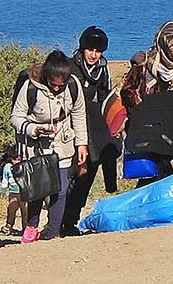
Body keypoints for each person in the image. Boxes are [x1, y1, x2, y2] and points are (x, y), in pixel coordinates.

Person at [11, 50, 87, 243]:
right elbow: (16, 117)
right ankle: (31, 226)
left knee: (60, 191)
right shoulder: (30, 87)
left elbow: (78, 115)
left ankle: (53, 232)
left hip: (62, 145)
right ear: (46, 77)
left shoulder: (73, 86)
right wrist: (35, 130)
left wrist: (82, 144)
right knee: (39, 189)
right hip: (36, 147)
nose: (56, 89)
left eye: (60, 86)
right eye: (53, 85)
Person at [121, 21, 173, 188]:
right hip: (144, 127)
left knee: (162, 167)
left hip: (167, 127)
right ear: (164, 43)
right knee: (154, 169)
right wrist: (141, 110)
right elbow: (128, 91)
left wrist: (170, 107)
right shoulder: (144, 63)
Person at [60, 26, 119, 237]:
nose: (94, 55)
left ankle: (70, 222)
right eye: (90, 50)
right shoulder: (69, 68)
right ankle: (57, 221)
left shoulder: (102, 69)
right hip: (68, 130)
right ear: (82, 48)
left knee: (87, 177)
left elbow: (105, 98)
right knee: (68, 178)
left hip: (92, 129)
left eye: (98, 51)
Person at [0, 144, 25, 236]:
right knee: (12, 209)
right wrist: (3, 190)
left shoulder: (24, 166)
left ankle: (26, 228)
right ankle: (9, 225)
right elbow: (5, 179)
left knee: (25, 211)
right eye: (14, 160)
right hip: (13, 192)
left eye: (18, 159)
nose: (16, 162)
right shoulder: (7, 167)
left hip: (24, 192)